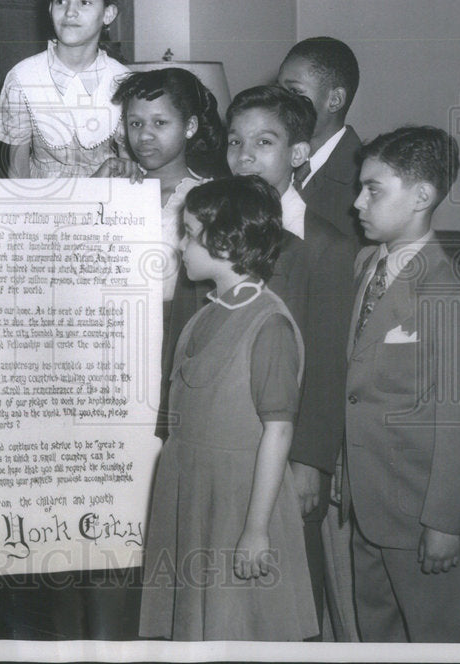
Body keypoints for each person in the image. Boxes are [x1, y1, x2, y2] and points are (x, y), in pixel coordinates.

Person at [139, 175, 317, 641]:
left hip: (239, 502)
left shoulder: (269, 323)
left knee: (237, 625)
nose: (180, 243)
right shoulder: (207, 311)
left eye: (191, 233)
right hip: (194, 491)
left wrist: (256, 529)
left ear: (225, 242)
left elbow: (278, 432)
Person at [344, 126, 460, 642]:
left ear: (422, 196)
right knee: (379, 639)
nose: (357, 202)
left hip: (424, 516)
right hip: (370, 508)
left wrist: (446, 523)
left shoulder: (451, 295)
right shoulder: (367, 265)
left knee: (443, 640)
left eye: (373, 189)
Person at [224, 86, 356, 637]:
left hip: (287, 446)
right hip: (225, 438)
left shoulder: (325, 246)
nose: (245, 155)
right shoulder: (215, 232)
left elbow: (327, 367)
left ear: (298, 154)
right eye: (235, 142)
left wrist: (312, 461)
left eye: (264, 142)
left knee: (284, 593)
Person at [0, 0, 134, 179]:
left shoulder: (122, 80)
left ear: (108, 14)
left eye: (85, 2)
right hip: (42, 204)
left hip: (105, 201)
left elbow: (128, 167)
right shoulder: (23, 77)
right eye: (61, 1)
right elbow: (17, 171)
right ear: (50, 8)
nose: (70, 12)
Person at [114, 67, 228, 302]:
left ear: (189, 127)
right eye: (135, 124)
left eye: (160, 123)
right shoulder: (117, 188)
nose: (145, 135)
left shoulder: (209, 196)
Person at [277, 36, 362, 241]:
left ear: (334, 100)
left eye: (295, 91)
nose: (279, 103)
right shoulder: (272, 161)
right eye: (279, 91)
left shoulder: (360, 180)